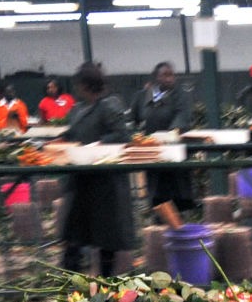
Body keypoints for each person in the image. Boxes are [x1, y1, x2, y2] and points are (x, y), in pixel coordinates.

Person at [54, 63, 134, 276]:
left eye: (79, 85)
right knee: (75, 233)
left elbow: (123, 135)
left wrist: (98, 144)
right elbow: (74, 133)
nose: (77, 90)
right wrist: (61, 140)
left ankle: (106, 283)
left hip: (105, 182)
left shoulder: (110, 106)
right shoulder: (80, 108)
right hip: (82, 181)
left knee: (106, 236)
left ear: (87, 85)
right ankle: (71, 283)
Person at [134, 62, 194, 214]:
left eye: (171, 75)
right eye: (165, 75)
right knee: (157, 200)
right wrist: (138, 137)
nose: (169, 79)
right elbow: (133, 120)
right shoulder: (142, 97)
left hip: (175, 156)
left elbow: (183, 116)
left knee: (178, 203)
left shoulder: (180, 95)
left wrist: (171, 133)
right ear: (155, 78)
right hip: (153, 156)